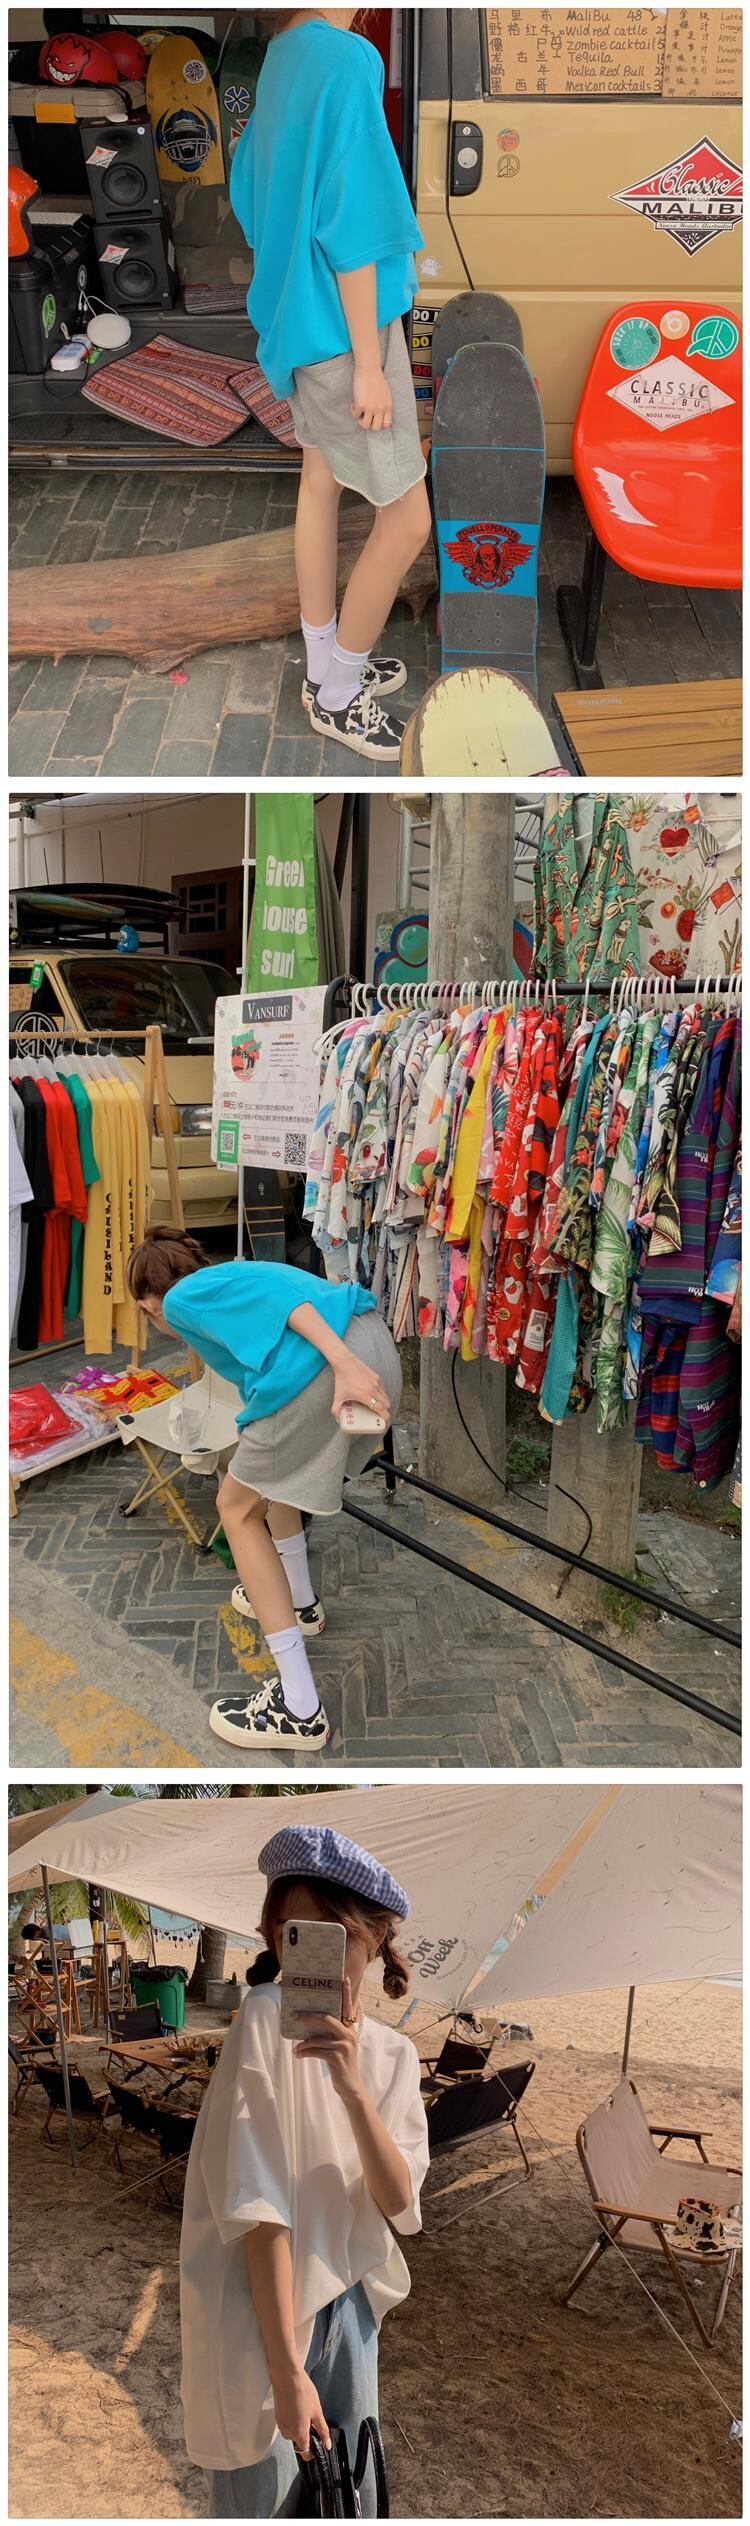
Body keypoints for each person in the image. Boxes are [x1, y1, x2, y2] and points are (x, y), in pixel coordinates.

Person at [180, 1823, 429, 2519]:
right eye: (293, 1934)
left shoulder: (394, 2057)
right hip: (262, 2305)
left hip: (351, 2302)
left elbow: (399, 2203)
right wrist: (287, 2372)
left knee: (346, 2498)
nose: (308, 1956)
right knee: (264, 2499)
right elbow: (260, 2207)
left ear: (376, 1937)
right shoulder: (263, 2020)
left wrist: (353, 2088)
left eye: (331, 1935)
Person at [229, 8, 432, 764]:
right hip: (348, 333)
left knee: (319, 483)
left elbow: (250, 191)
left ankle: (325, 664)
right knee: (407, 521)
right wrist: (372, 366)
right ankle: (339, 694)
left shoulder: (281, 55)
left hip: (297, 321)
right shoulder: (347, 59)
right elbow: (356, 228)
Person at [126, 1228, 402, 1752]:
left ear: (146, 1303)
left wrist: (344, 1365)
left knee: (234, 1508)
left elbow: (286, 1303)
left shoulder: (183, 1299)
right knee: (267, 1485)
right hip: (370, 1342)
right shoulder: (226, 1278)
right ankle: (300, 1604)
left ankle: (299, 1709)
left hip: (336, 1364)